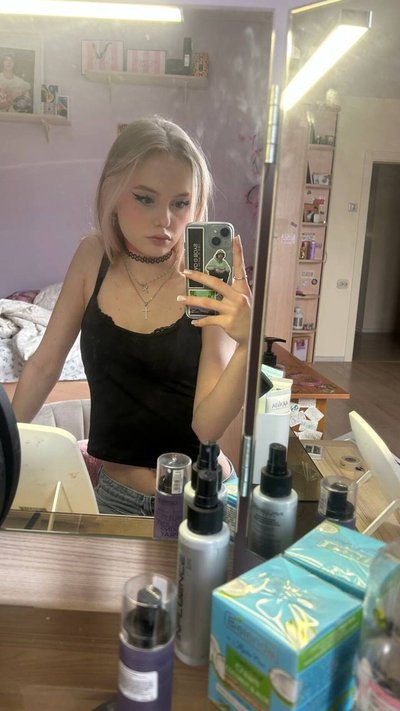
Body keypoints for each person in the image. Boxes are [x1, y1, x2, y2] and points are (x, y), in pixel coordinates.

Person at [12, 117, 252, 515]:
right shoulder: (93, 257)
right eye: (145, 199)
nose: (165, 220)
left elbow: (207, 429)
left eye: (180, 203)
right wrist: (5, 446)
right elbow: (43, 365)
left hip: (202, 497)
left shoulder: (206, 275)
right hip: (117, 496)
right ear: (113, 191)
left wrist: (247, 344)